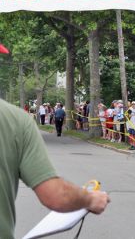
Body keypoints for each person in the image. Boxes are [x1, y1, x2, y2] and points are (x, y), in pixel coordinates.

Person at [0, 99, 110, 239]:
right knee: (57, 127)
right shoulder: (15, 120)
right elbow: (56, 195)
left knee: (58, 127)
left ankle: (58, 132)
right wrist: (90, 199)